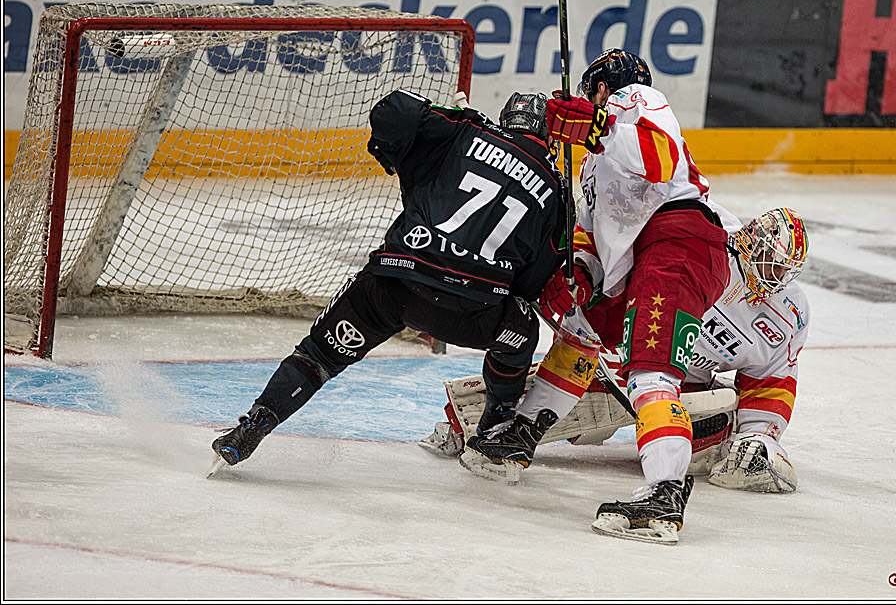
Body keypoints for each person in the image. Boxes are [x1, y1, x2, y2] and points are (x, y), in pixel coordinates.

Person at [208, 89, 566, 475]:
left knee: (317, 356)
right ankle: (492, 432)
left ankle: (253, 427)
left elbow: (394, 108)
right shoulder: (557, 191)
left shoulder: (465, 130)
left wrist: (429, 131)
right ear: (548, 134)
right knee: (521, 331)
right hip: (471, 312)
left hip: (394, 286)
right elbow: (532, 284)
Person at [460, 48, 735, 543]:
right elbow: (590, 238)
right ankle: (522, 435)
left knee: (651, 370)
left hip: (678, 240)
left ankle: (665, 496)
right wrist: (579, 278)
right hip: (634, 262)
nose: (588, 102)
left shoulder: (639, 99)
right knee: (580, 332)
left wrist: (594, 125)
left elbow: (660, 159)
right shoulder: (590, 164)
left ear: (603, 87)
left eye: (592, 94)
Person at [452, 205, 809, 516]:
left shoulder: (788, 313)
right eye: (772, 262)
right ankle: (497, 423)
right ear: (751, 240)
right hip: (622, 352)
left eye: (783, 270)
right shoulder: (705, 238)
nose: (774, 275)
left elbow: (772, 379)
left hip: (685, 385)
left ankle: (664, 473)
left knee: (717, 424)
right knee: (585, 352)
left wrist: (759, 436)